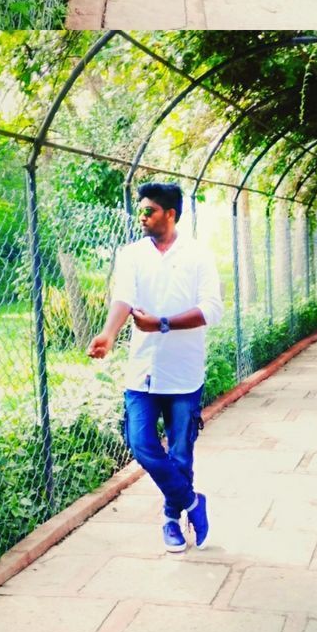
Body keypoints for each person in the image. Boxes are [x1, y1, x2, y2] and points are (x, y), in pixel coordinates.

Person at [88, 181, 224, 552]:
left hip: (183, 372)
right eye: (141, 211)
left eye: (149, 211)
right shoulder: (131, 254)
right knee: (142, 444)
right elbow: (123, 299)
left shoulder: (198, 255)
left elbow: (212, 309)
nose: (142, 217)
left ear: (170, 214)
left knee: (181, 453)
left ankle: (171, 520)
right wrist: (108, 334)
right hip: (142, 368)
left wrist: (162, 323)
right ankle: (193, 503)